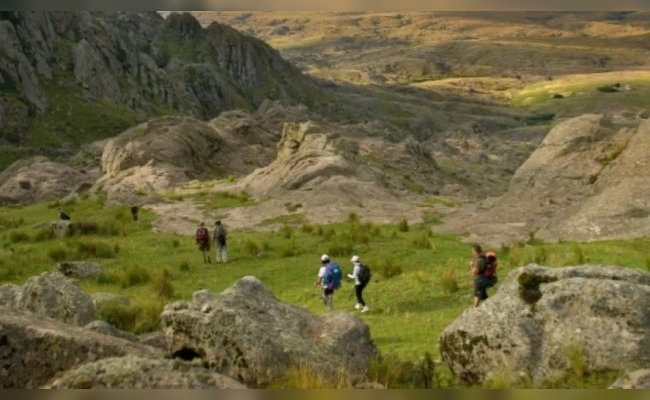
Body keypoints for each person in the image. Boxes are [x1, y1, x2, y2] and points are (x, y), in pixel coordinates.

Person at [470, 243, 489, 307]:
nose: (472, 253)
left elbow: (474, 273)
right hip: (483, 279)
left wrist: (471, 265)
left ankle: (474, 310)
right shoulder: (483, 258)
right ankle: (489, 307)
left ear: (476, 251)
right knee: (484, 297)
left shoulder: (479, 260)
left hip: (480, 280)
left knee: (477, 295)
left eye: (472, 251)